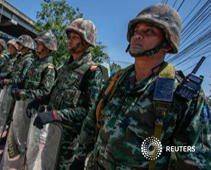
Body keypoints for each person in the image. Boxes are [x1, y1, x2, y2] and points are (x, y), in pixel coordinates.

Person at [78, 4, 211, 170]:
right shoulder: (116, 80)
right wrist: (78, 159)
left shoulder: (184, 94)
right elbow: (91, 124)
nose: (138, 36)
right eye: (136, 31)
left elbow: (194, 156)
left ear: (167, 44)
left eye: (149, 32)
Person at [29, 18, 103, 169]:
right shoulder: (64, 68)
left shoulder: (92, 72)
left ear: (87, 42)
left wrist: (56, 115)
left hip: (70, 147)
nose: (69, 41)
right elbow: (53, 94)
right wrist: (39, 100)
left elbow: (89, 111)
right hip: (52, 136)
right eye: (69, 37)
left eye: (75, 37)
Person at [1, 32, 57, 169]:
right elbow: (25, 82)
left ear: (48, 47)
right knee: (20, 138)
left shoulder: (48, 68)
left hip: (34, 112)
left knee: (31, 144)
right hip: (24, 107)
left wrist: (22, 92)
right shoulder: (35, 63)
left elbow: (45, 92)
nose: (36, 45)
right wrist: (18, 89)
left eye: (40, 43)